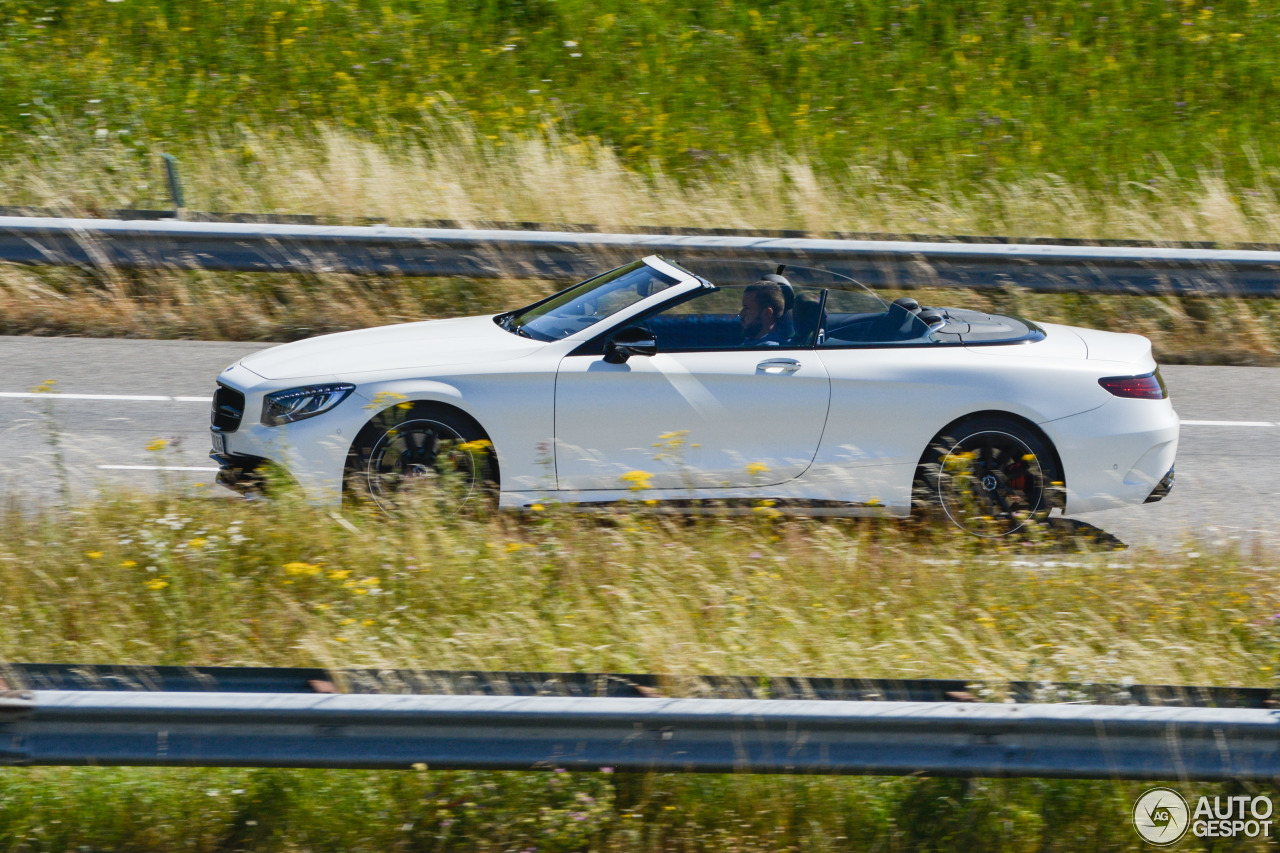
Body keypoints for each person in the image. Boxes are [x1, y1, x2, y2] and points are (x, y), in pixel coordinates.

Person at [738, 280, 789, 346]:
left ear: (767, 313)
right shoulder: (752, 342)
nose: (741, 314)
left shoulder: (771, 348)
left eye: (747, 308)